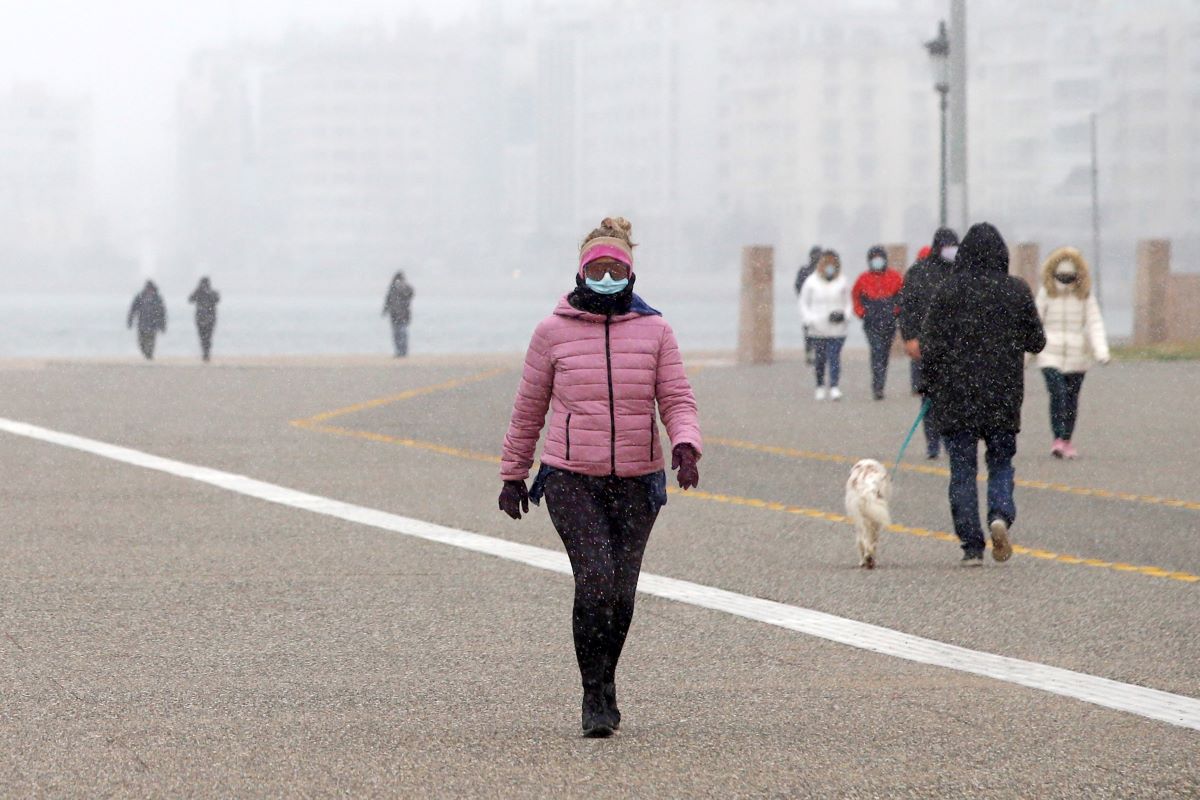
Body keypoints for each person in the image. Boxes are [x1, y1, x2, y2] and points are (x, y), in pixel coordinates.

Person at [498, 217, 702, 738]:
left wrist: (685, 444)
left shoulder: (656, 330)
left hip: (638, 479)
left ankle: (606, 678)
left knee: (622, 594)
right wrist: (514, 473)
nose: (607, 277)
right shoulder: (552, 331)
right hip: (571, 478)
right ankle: (594, 695)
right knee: (594, 581)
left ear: (631, 274)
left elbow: (676, 398)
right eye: (598, 269)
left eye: (616, 269)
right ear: (581, 272)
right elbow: (529, 409)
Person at [920, 223, 1046, 566]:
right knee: (1001, 463)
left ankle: (971, 547)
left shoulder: (947, 292)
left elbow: (931, 349)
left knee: (962, 471)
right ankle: (1000, 516)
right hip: (1002, 396)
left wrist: (928, 385)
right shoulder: (1016, 291)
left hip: (957, 397)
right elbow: (1037, 341)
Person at [1035, 247, 1110, 459]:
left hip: (1078, 356)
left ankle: (1066, 439)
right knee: (1057, 394)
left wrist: (1101, 351)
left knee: (1071, 399)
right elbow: (1034, 325)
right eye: (1062, 276)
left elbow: (1095, 323)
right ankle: (1058, 438)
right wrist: (1023, 355)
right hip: (1050, 353)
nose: (1065, 280)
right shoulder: (1046, 293)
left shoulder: (1085, 295)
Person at [898, 228, 959, 457]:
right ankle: (933, 444)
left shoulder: (963, 273)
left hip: (957, 344)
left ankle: (952, 442)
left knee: (955, 396)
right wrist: (909, 338)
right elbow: (906, 308)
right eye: (947, 246)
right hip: (928, 344)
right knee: (931, 396)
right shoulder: (918, 273)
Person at [799, 249, 853, 401]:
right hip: (818, 328)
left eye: (833, 263)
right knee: (820, 359)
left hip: (838, 328)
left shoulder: (843, 281)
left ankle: (834, 386)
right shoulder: (811, 282)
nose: (829, 266)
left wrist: (845, 316)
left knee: (834, 357)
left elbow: (849, 302)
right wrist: (809, 320)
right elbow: (804, 303)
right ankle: (820, 385)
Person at [852, 245, 904, 400]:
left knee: (884, 354)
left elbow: (902, 296)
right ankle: (877, 386)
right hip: (871, 323)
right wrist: (862, 313)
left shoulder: (895, 277)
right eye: (874, 258)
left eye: (879, 258)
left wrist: (895, 311)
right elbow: (855, 298)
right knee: (876, 351)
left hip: (889, 322)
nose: (877, 261)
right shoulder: (863, 279)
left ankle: (880, 383)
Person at [794, 246, 822, 365]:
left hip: (821, 306)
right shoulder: (805, 271)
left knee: (820, 330)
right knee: (808, 330)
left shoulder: (823, 271)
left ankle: (818, 353)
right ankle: (810, 353)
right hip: (809, 306)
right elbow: (798, 286)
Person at [127, 280, 167, 360]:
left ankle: (149, 354)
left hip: (153, 324)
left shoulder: (157, 298)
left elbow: (162, 313)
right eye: (148, 289)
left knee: (151, 341)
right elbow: (133, 309)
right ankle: (146, 353)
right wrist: (130, 320)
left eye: (151, 289)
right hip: (142, 323)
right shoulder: (140, 296)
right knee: (141, 341)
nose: (149, 291)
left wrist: (162, 325)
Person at [382, 271, 415, 357]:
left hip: (397, 315)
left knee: (399, 334)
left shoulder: (396, 288)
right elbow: (389, 300)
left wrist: (385, 310)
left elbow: (388, 300)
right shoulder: (400, 288)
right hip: (401, 315)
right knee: (401, 334)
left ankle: (401, 351)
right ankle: (402, 351)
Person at [188, 277, 220, 362]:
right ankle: (205, 353)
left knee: (206, 337)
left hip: (207, 319)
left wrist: (206, 293)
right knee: (204, 337)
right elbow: (190, 299)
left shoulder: (211, 293)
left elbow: (217, 299)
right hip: (202, 319)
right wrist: (198, 291)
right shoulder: (199, 293)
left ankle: (206, 353)